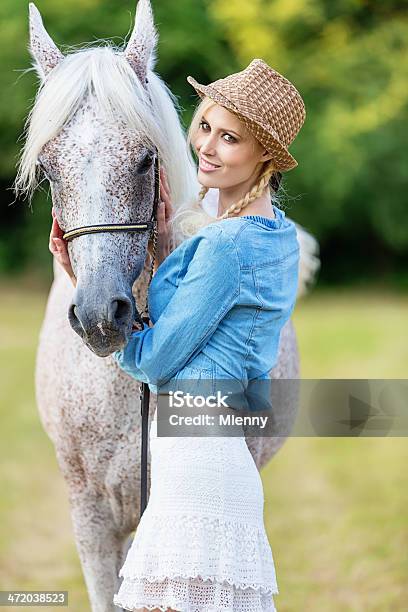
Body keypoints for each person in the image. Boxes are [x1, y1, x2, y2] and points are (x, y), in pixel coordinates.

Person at [50, 58, 306, 612]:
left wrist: (100, 314)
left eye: (230, 137)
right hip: (219, 458)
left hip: (195, 468)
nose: (206, 147)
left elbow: (160, 357)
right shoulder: (277, 237)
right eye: (206, 126)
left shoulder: (224, 246)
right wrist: (172, 245)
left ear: (265, 155)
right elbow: (215, 318)